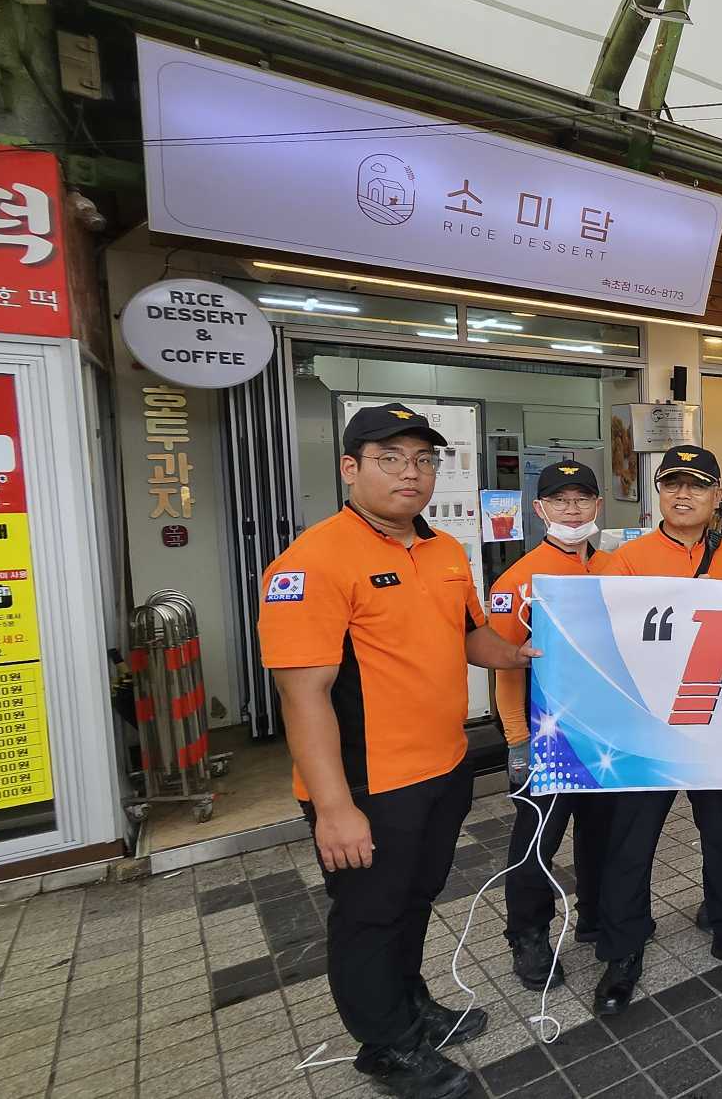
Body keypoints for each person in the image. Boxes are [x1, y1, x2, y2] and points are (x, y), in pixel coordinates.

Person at [259, 403, 538, 1099]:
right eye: (390, 459)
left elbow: (470, 637)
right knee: (369, 915)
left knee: (416, 897)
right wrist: (334, 809)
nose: (410, 473)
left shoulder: (443, 551)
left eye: (422, 460)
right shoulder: (311, 562)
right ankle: (385, 1048)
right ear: (350, 468)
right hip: (368, 784)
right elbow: (302, 696)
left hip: (443, 769)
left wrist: (523, 654)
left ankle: (410, 1007)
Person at [598, 446, 722, 1014]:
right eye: (672, 484)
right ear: (659, 493)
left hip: (714, 721)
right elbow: (601, 634)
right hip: (645, 724)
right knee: (631, 841)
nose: (683, 495)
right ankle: (622, 950)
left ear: (717, 496)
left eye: (696, 485)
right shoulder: (626, 560)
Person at [487, 460, 610, 994]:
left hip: (605, 733)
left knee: (602, 834)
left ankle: (596, 917)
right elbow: (504, 667)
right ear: (539, 509)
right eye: (560, 500)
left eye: (582, 499)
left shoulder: (617, 569)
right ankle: (528, 934)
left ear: (598, 505)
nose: (572, 510)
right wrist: (517, 740)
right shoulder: (518, 579)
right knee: (537, 841)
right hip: (546, 736)